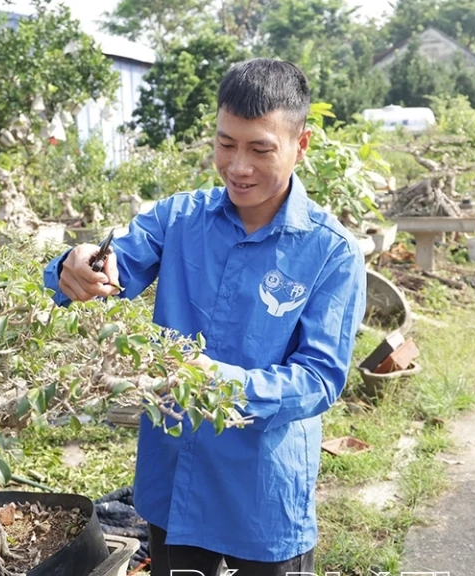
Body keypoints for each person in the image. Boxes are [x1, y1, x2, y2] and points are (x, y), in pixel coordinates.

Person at [43, 58, 367, 576]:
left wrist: (212, 383)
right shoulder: (178, 218)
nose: (238, 166)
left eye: (260, 148)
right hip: (174, 480)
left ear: (300, 144)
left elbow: (319, 378)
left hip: (260, 490)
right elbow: (116, 262)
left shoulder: (331, 253)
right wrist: (76, 265)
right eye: (225, 144)